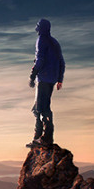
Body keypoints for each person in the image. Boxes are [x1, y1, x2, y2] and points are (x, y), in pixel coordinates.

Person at [27, 18, 65, 147]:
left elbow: (40, 59)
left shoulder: (42, 40)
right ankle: (38, 137)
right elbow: (61, 62)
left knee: (41, 109)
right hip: (52, 79)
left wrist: (32, 75)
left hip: (43, 78)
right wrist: (59, 79)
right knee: (40, 108)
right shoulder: (55, 43)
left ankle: (45, 139)